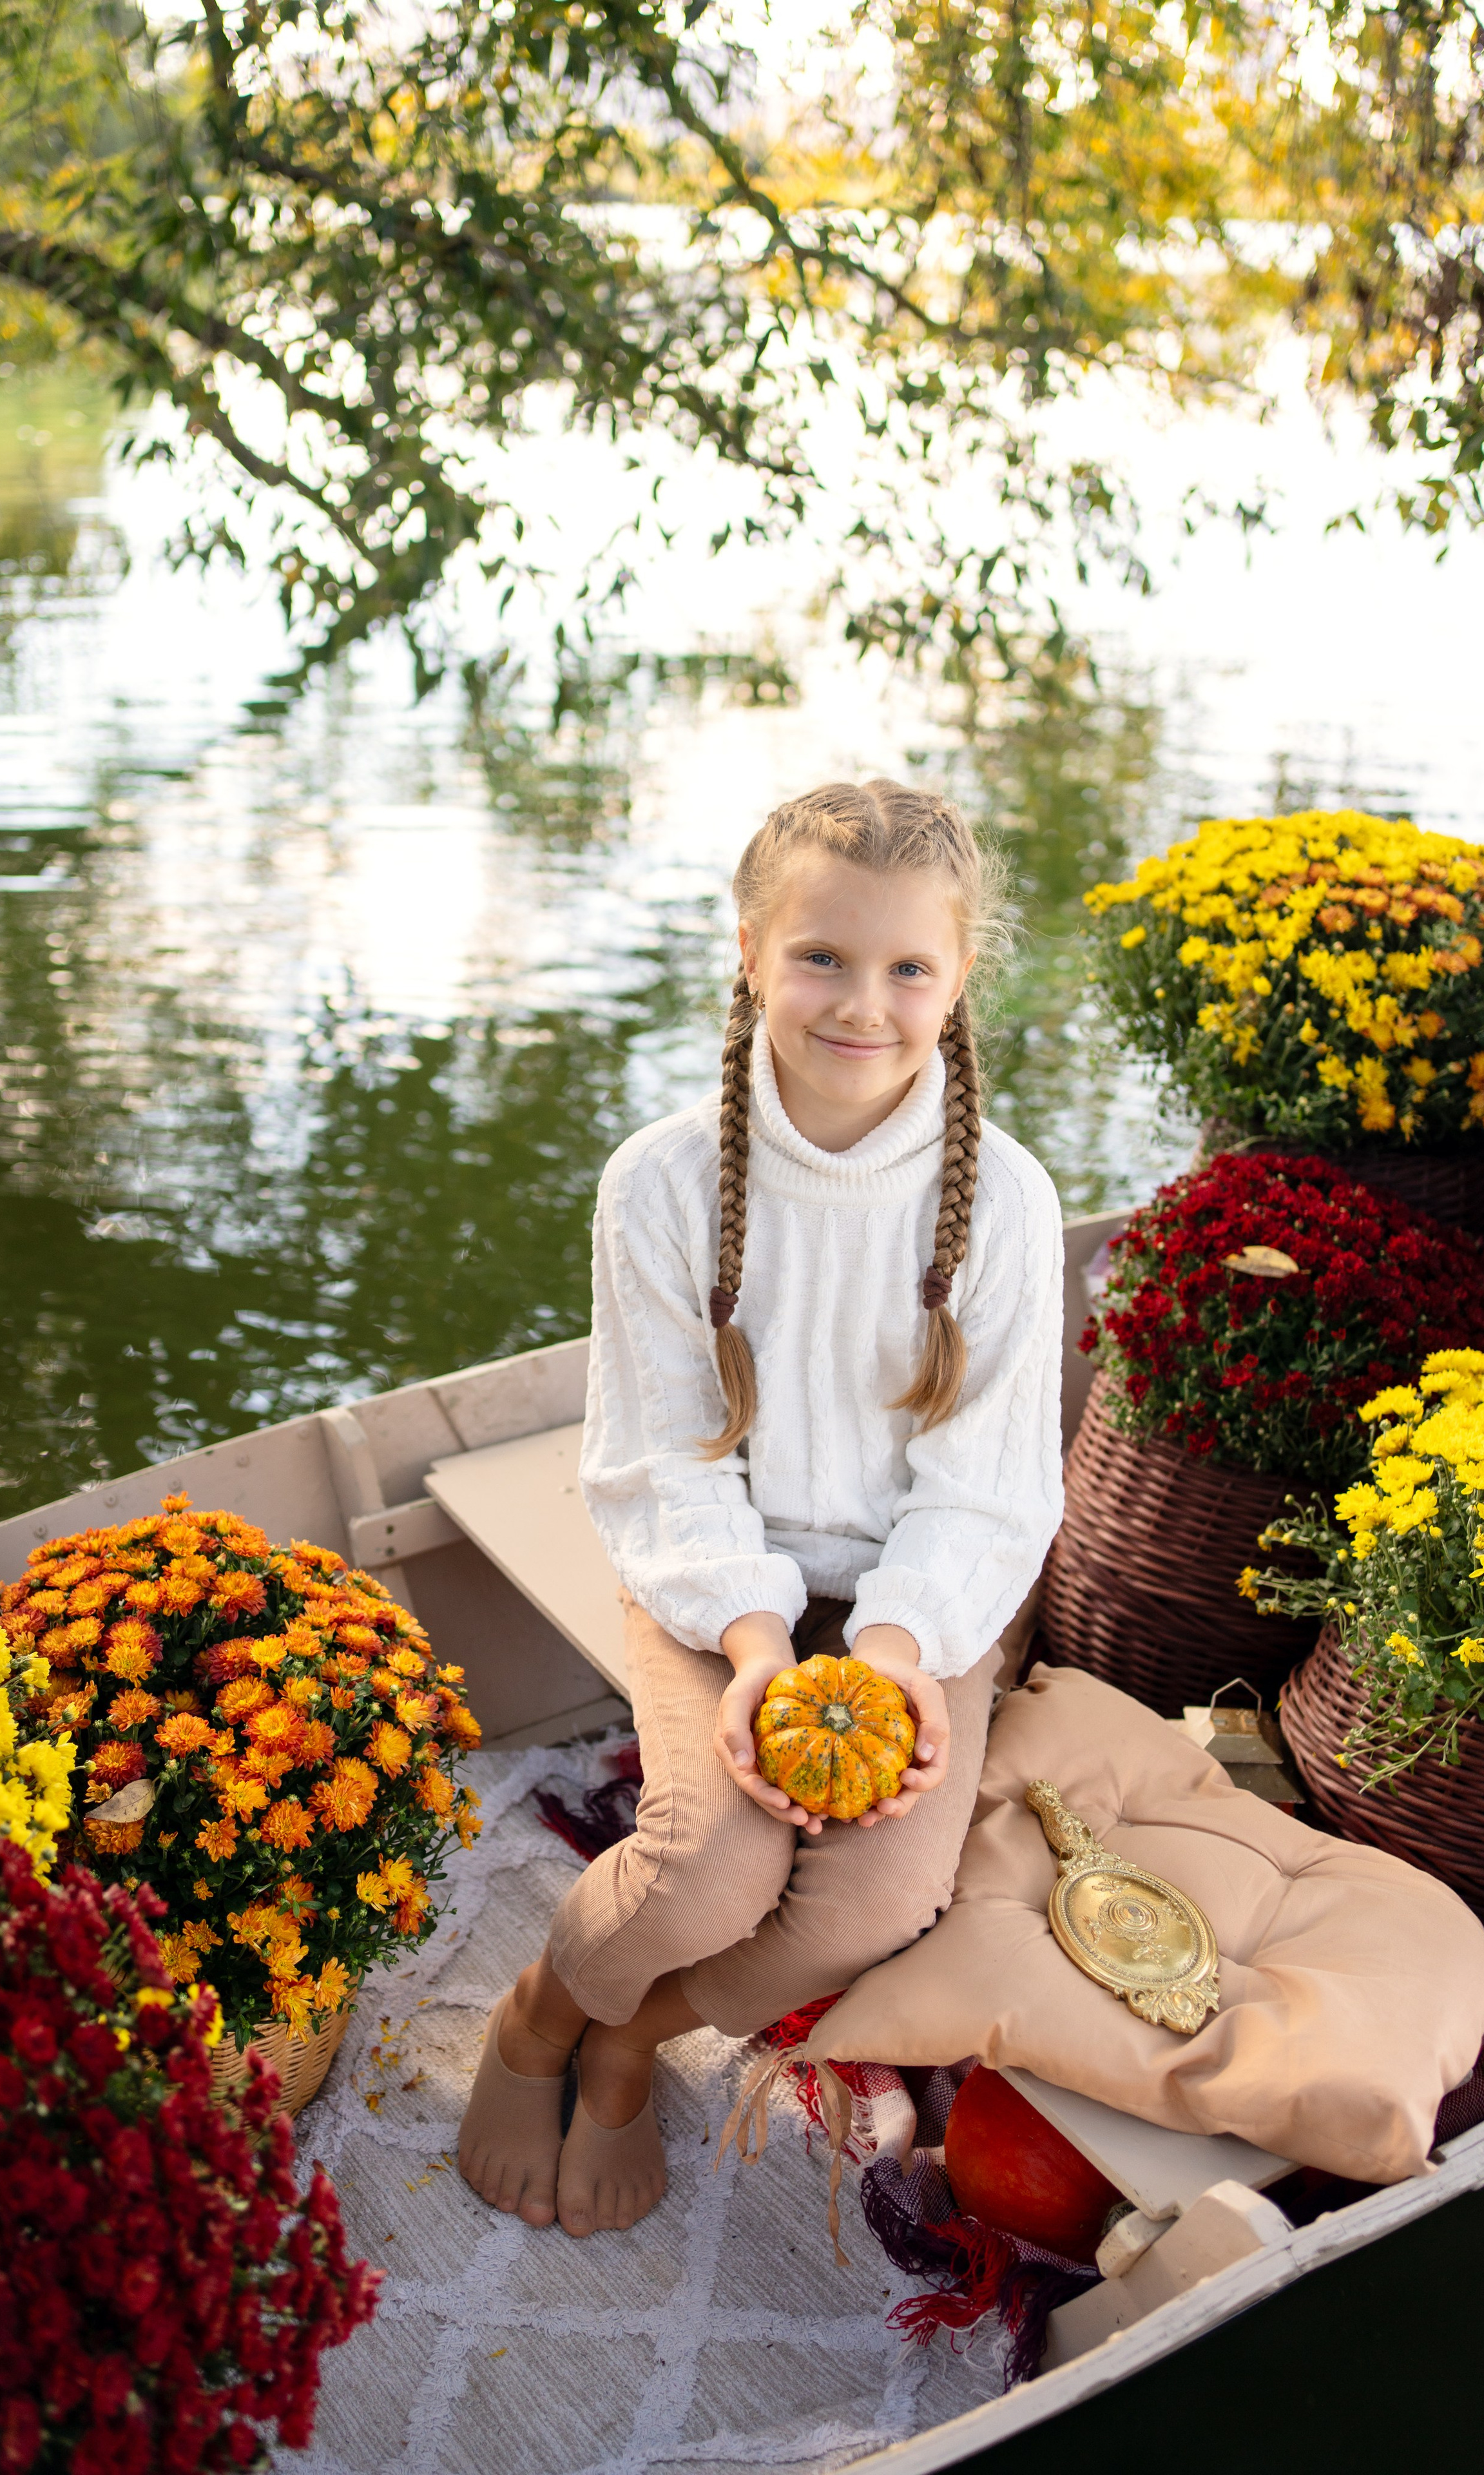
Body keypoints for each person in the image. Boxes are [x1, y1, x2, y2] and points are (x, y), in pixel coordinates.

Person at [458, 777, 1065, 2238]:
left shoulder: (1008, 1203)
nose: (863, 1003)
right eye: (820, 958)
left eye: (907, 967)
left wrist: (902, 1659)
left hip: (922, 1603)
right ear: (749, 954)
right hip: (717, 1580)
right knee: (700, 1872)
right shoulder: (661, 1185)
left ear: (957, 978)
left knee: (865, 1907)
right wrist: (751, 1654)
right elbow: (663, 1457)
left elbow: (986, 1487)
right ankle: (537, 2017)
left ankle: (627, 2032)